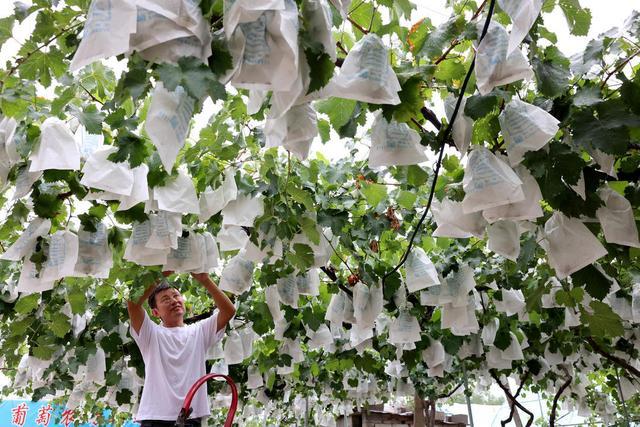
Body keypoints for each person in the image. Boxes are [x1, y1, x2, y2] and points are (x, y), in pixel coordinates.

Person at [127, 271, 236, 427]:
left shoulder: (199, 331)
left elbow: (229, 311)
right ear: (155, 312)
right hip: (156, 418)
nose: (174, 301)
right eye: (165, 299)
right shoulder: (150, 333)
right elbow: (132, 304)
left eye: (176, 296)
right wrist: (159, 273)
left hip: (190, 417)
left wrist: (205, 280)